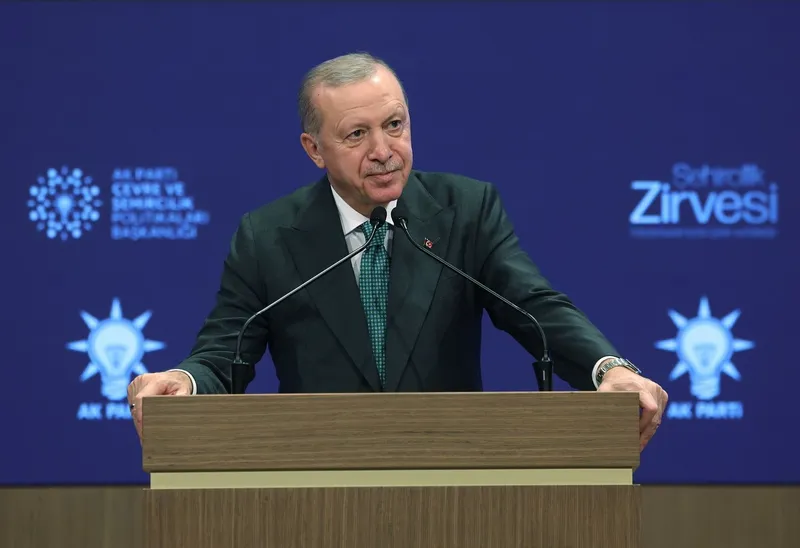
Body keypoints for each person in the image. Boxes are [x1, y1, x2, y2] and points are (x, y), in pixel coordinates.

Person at [127, 52, 667, 451]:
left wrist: (608, 368)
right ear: (314, 150)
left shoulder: (466, 211)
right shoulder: (267, 236)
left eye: (394, 125)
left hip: (452, 473)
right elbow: (226, 351)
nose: (383, 151)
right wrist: (186, 382)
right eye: (356, 135)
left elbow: (535, 306)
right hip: (317, 478)